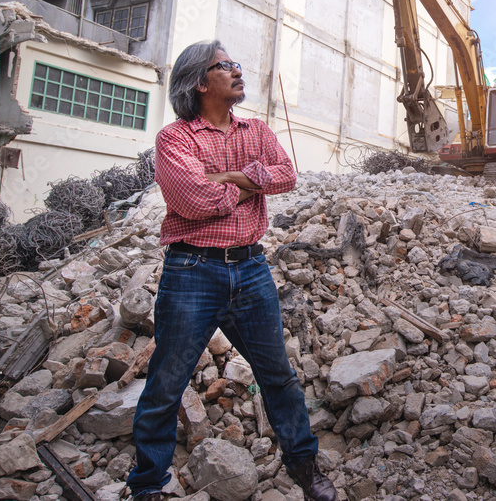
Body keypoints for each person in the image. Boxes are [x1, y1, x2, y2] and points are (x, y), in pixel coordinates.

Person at [126, 40, 338, 501]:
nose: (238, 71)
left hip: (251, 267)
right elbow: (194, 200)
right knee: (167, 383)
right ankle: (147, 486)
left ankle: (305, 468)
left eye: (236, 64)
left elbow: (287, 175)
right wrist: (250, 182)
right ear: (200, 82)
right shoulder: (175, 138)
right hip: (192, 271)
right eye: (226, 66)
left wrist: (227, 179)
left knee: (278, 375)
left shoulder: (256, 130)